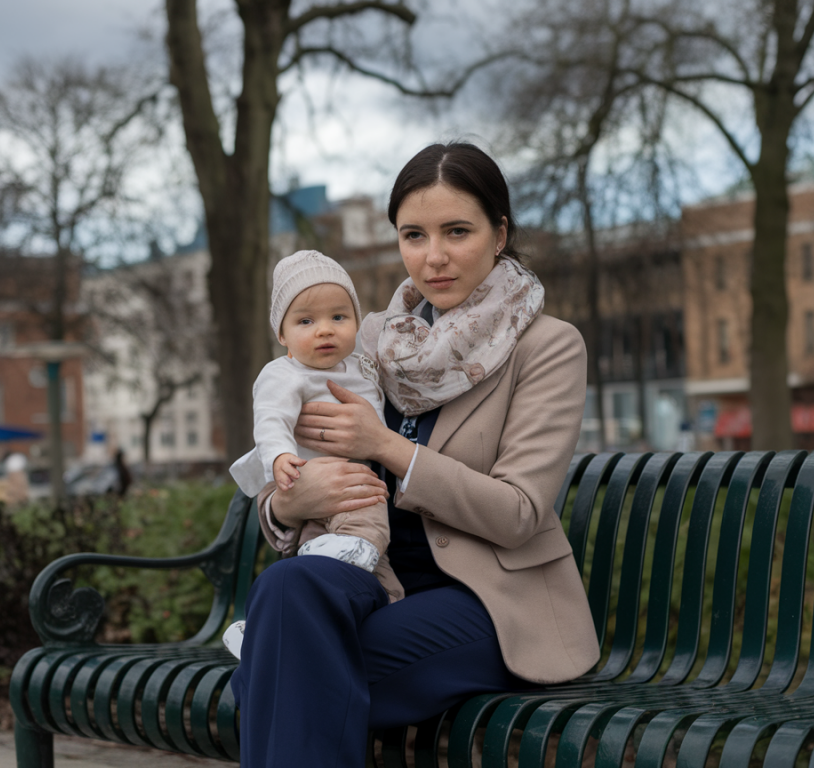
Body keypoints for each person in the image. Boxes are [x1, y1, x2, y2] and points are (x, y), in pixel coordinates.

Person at [230, 142, 599, 768]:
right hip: (375, 582)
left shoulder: (548, 347)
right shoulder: (368, 343)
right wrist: (291, 502)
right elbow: (291, 470)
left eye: (457, 231)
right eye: (414, 235)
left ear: (499, 233)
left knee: (281, 670)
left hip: (489, 601)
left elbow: (518, 513)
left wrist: (387, 448)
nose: (434, 257)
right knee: (288, 592)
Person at [226, 250, 404, 635]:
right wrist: (280, 458)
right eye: (306, 321)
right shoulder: (284, 374)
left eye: (338, 317)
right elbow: (271, 419)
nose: (324, 329)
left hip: (348, 488)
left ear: (356, 322)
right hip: (306, 480)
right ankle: (270, 632)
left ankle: (264, 636)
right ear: (282, 334)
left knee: (378, 577)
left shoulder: (363, 368)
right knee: (368, 521)